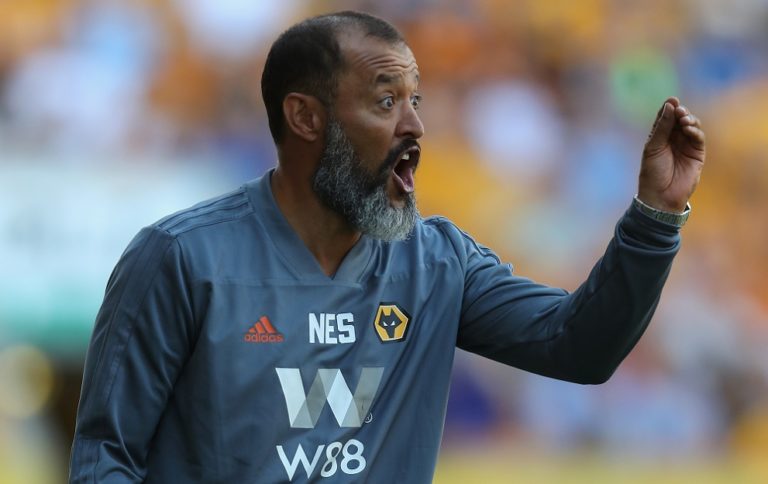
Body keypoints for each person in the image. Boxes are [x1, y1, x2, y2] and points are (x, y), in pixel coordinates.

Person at [69, 10, 706, 483]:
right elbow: (106, 461)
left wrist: (656, 216)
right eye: (385, 101)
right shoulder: (182, 259)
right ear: (306, 117)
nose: (415, 125)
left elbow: (581, 347)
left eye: (414, 100)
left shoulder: (437, 263)